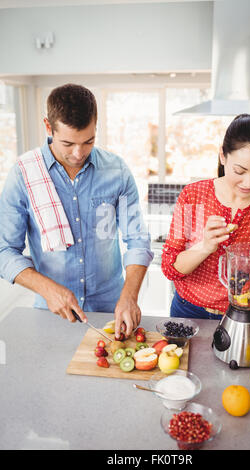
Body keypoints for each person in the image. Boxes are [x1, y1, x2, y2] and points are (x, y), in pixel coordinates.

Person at [0, 83, 153, 338]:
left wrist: (129, 296)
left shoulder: (117, 171)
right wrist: (48, 289)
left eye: (89, 141)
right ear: (48, 127)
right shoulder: (23, 175)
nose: (79, 153)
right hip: (52, 312)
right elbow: (4, 251)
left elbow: (137, 239)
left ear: (96, 126)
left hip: (111, 311)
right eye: (68, 143)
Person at [161, 114, 250, 319]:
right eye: (239, 171)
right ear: (223, 156)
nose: (248, 183)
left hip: (243, 315)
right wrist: (204, 246)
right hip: (187, 311)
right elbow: (171, 268)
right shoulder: (193, 196)